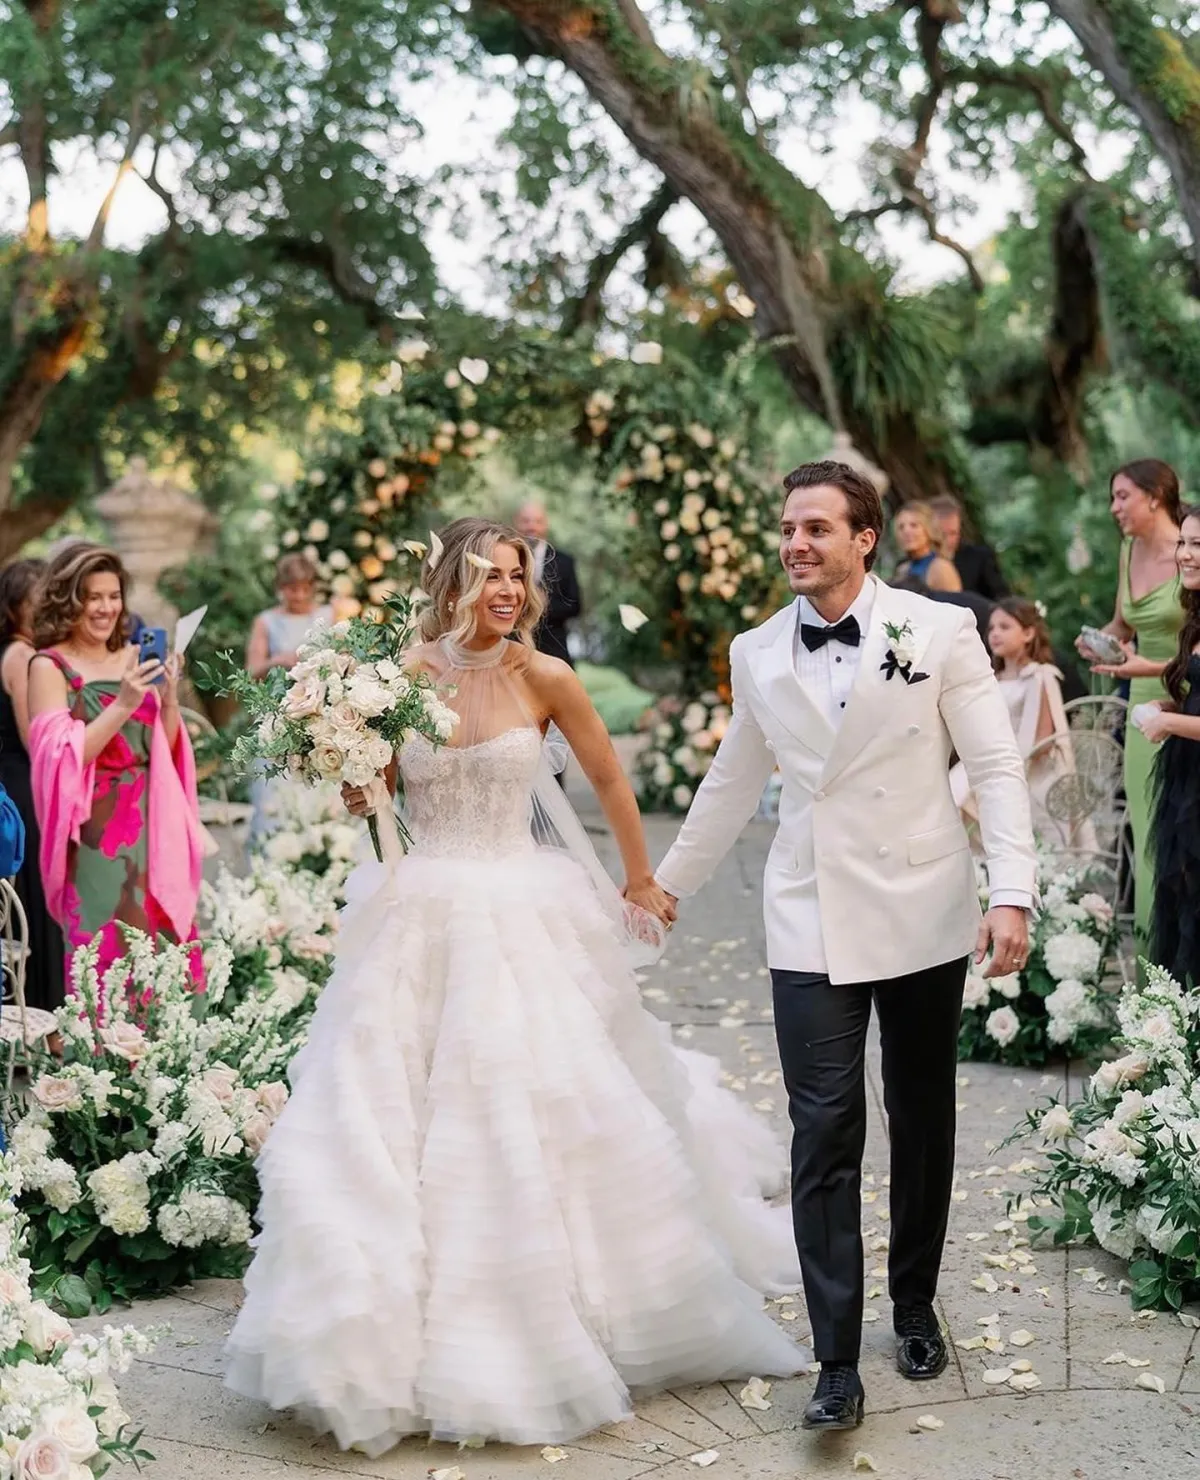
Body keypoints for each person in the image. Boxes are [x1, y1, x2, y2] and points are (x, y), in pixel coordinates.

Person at [224, 516, 806, 1453]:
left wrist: (640, 879)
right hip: (415, 907)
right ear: (452, 578)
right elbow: (370, 787)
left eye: (516, 576)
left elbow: (611, 782)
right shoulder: (395, 676)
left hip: (518, 904)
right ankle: (370, 1323)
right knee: (385, 1102)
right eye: (489, 573)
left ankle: (568, 1305)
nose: (506, 589)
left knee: (534, 1096)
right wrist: (353, 780)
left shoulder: (547, 678)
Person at [654, 461, 1036, 1433]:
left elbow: (992, 763)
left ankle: (912, 1305)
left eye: (816, 526)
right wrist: (667, 883)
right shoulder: (756, 650)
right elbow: (735, 780)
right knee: (824, 1127)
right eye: (787, 525)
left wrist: (1014, 894)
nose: (795, 541)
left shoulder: (939, 628)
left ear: (865, 539)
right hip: (807, 911)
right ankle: (835, 1358)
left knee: (920, 1113)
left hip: (922, 905)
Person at [26, 544, 205, 983]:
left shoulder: (132, 657)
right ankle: (105, 1051)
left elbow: (158, 747)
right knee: (102, 949)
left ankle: (167, 1050)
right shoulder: (48, 667)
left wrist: (166, 702)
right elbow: (62, 758)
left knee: (163, 948)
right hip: (95, 834)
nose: (106, 608)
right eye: (93, 597)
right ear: (69, 600)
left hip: (153, 819)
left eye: (113, 595)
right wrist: (123, 704)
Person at [1078, 459, 1184, 946]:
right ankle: (1152, 978)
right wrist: (1100, 640)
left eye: (1122, 496)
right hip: (1141, 702)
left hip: (1186, 694)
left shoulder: (1191, 549)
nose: (1114, 507)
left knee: (1185, 831)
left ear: (1155, 496)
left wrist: (1145, 664)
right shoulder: (1127, 550)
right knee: (1147, 838)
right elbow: (1125, 624)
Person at [950, 598, 1085, 847]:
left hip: (1025, 764)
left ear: (1028, 633)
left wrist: (1004, 766)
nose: (995, 634)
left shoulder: (1040, 676)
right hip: (987, 757)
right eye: (991, 628)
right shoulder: (990, 678)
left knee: (963, 791)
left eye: (1005, 626)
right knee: (949, 791)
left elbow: (1042, 741)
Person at [0, 559, 65, 1011]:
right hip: (22, 780)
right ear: (19, 606)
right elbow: (33, 735)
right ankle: (41, 1010)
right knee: (35, 896)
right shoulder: (22, 656)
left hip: (10, 775)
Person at [1144, 504, 1200, 987]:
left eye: (1198, 544)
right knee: (1183, 892)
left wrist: (1171, 725)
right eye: (1183, 542)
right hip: (1188, 778)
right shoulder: (1195, 615)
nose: (1186, 553)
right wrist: (1169, 706)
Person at [246, 554, 332, 837]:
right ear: (280, 587)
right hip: (280, 713)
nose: (299, 595)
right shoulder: (266, 621)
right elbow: (251, 670)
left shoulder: (328, 616)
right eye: (292, 588)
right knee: (280, 792)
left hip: (321, 712)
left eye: (305, 588)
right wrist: (277, 661)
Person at [512, 502, 581, 665]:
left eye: (537, 521)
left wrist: (543, 606)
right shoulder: (507, 557)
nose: (532, 527)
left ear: (546, 524)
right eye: (526, 521)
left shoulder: (565, 561)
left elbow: (576, 606)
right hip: (512, 648)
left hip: (554, 650)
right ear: (516, 523)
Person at [930, 494, 1009, 600]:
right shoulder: (911, 565)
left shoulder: (979, 557)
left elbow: (1001, 597)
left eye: (953, 533)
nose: (947, 541)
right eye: (942, 534)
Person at [891, 500, 962, 592]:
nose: (906, 531)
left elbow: (956, 603)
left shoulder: (941, 568)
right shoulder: (902, 569)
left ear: (928, 528)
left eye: (914, 525)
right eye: (901, 527)